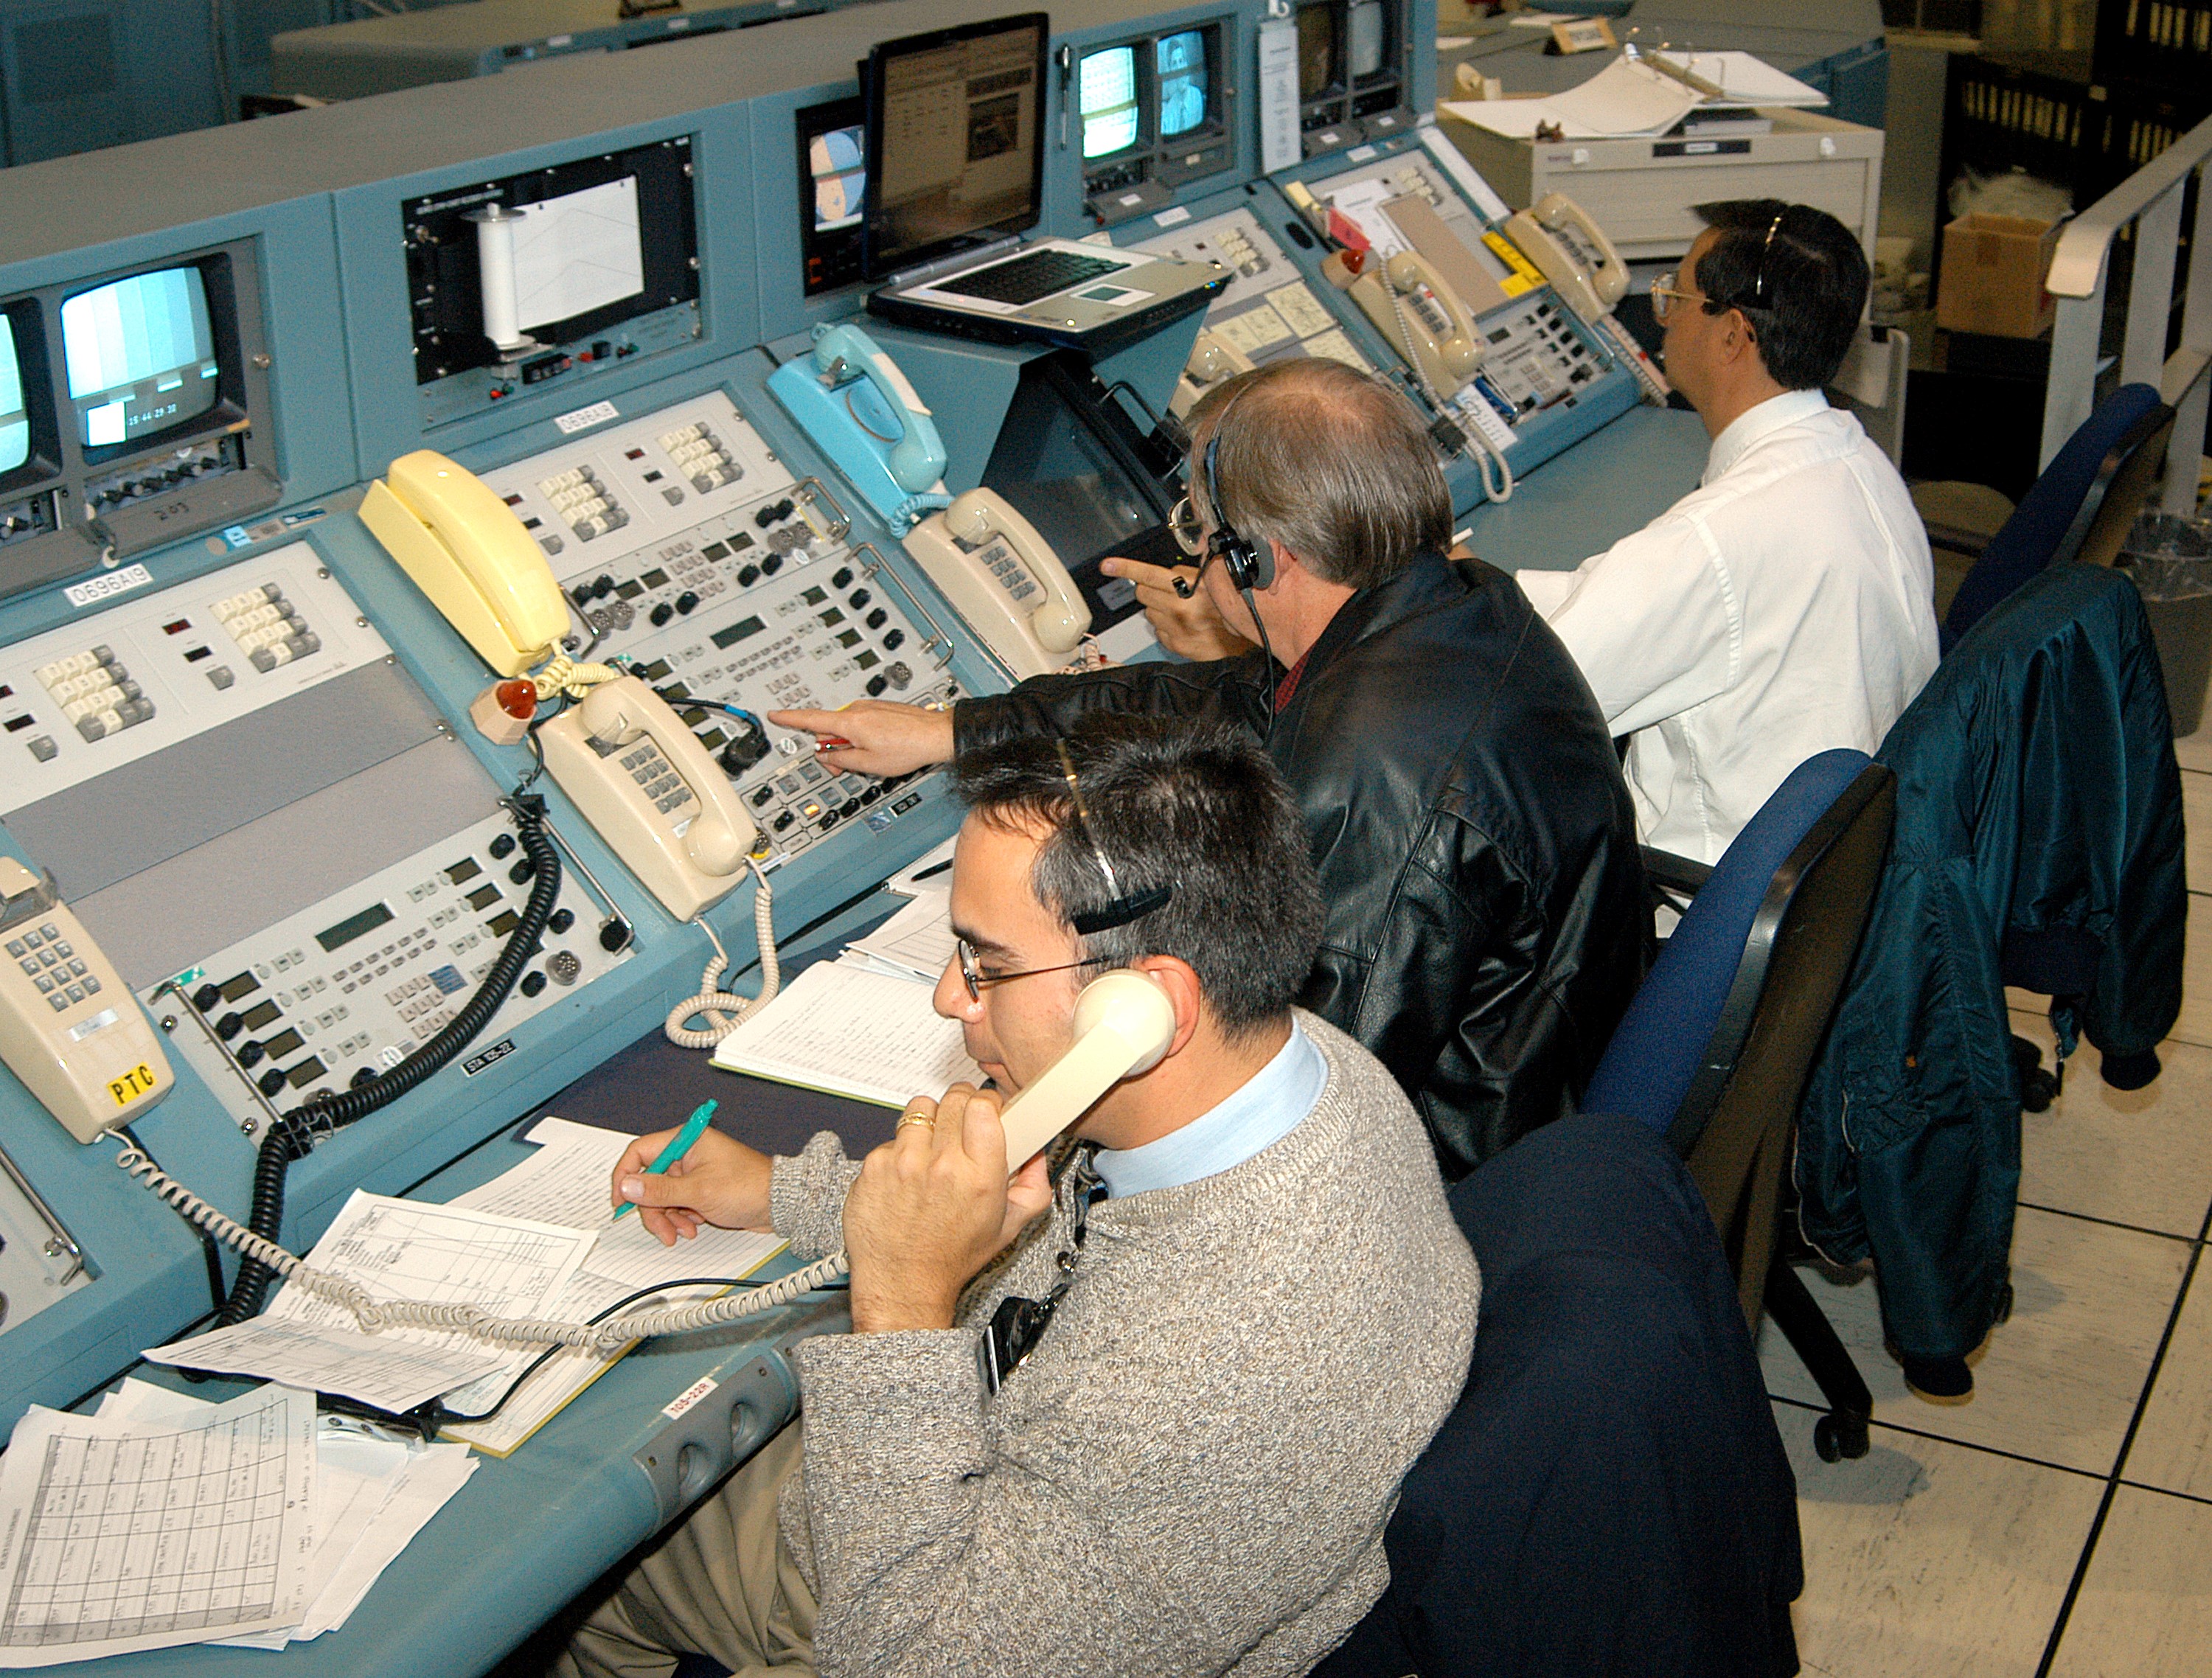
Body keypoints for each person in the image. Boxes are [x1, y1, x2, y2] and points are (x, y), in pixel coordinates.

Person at [553, 716, 1481, 1678]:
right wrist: (786, 1192)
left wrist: (903, 1303)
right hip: (980, 1521)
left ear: (1147, 1009)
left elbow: (914, 1661)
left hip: (920, 1620)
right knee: (594, 1547)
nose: (951, 1001)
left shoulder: (1212, 1369)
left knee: (564, 1566)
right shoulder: (1291, 1067)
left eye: (988, 964)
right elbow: (1038, 1234)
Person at [771, 358, 1647, 1177]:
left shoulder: (1370, 773)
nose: (1186, 551)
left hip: (1454, 1169)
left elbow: (1287, 1099)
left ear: (1258, 555)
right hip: (1539, 1085)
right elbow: (1213, 698)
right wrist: (953, 731)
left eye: (1195, 524)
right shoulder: (1445, 611)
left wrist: (980, 1158)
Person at [1513, 199, 1940, 865]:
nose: (1664, 317)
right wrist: (1480, 581)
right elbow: (1637, 604)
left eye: (1676, 297)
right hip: (1835, 887)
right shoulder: (1857, 461)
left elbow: (1527, 686)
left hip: (1697, 914)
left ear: (1733, 334)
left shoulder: (1719, 538)